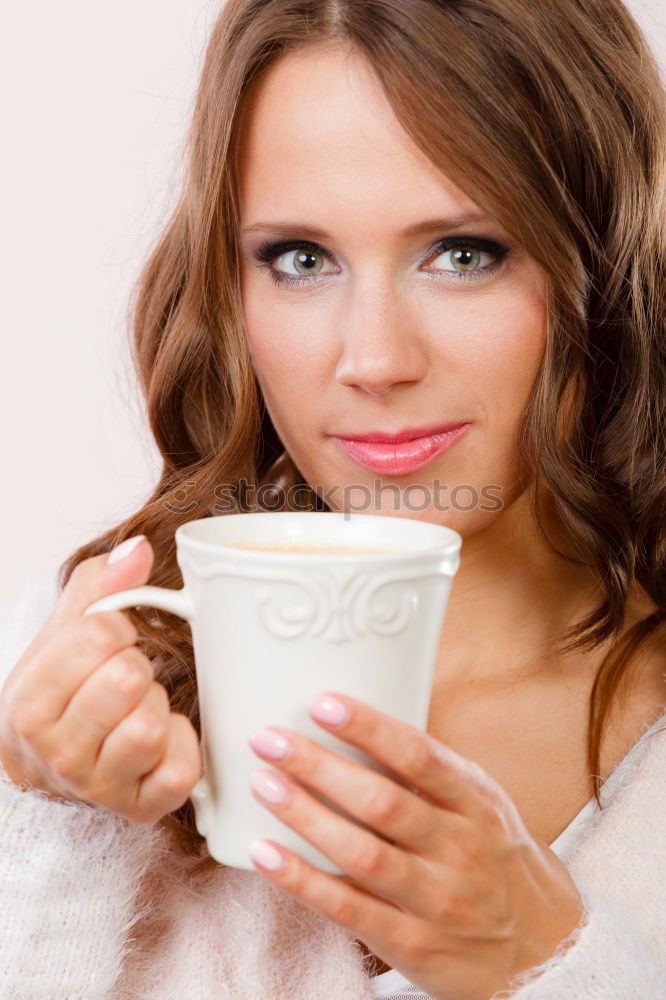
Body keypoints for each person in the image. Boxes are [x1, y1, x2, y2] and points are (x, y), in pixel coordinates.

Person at [0, 0, 664, 997]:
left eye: (465, 253)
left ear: (604, 268)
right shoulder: (72, 671)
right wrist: (44, 814)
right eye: (300, 260)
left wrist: (550, 964)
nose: (373, 359)